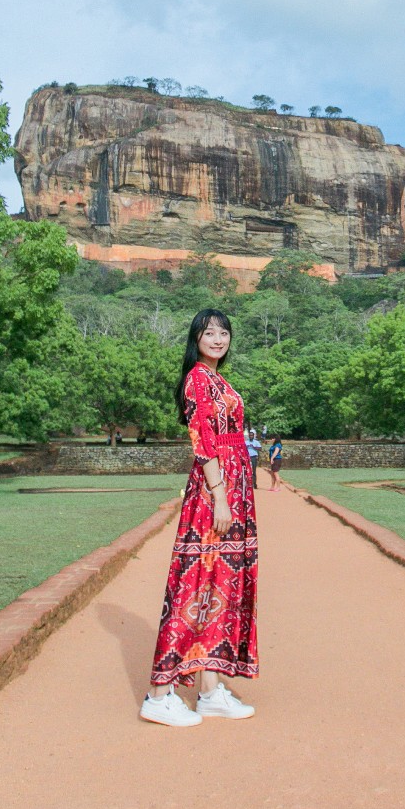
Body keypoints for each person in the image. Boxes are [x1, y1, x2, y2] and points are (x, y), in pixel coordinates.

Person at [141, 309, 258, 727]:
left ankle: (209, 691)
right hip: (215, 493)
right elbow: (203, 441)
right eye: (209, 332)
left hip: (233, 490)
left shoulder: (219, 380)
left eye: (224, 332)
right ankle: (158, 694)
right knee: (194, 582)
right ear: (196, 337)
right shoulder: (196, 378)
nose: (218, 338)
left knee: (219, 584)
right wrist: (220, 497)